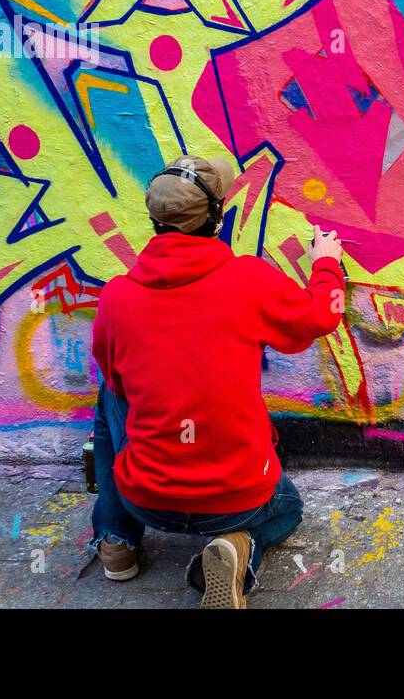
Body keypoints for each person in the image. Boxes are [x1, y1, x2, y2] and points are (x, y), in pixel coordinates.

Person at [89, 154, 345, 608]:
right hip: (239, 497)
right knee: (288, 510)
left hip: (145, 498)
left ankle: (117, 540)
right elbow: (322, 315)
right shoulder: (246, 279)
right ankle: (237, 549)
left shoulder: (117, 297)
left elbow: (120, 386)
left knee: (108, 394)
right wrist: (325, 264)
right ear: (217, 218)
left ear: (154, 221)